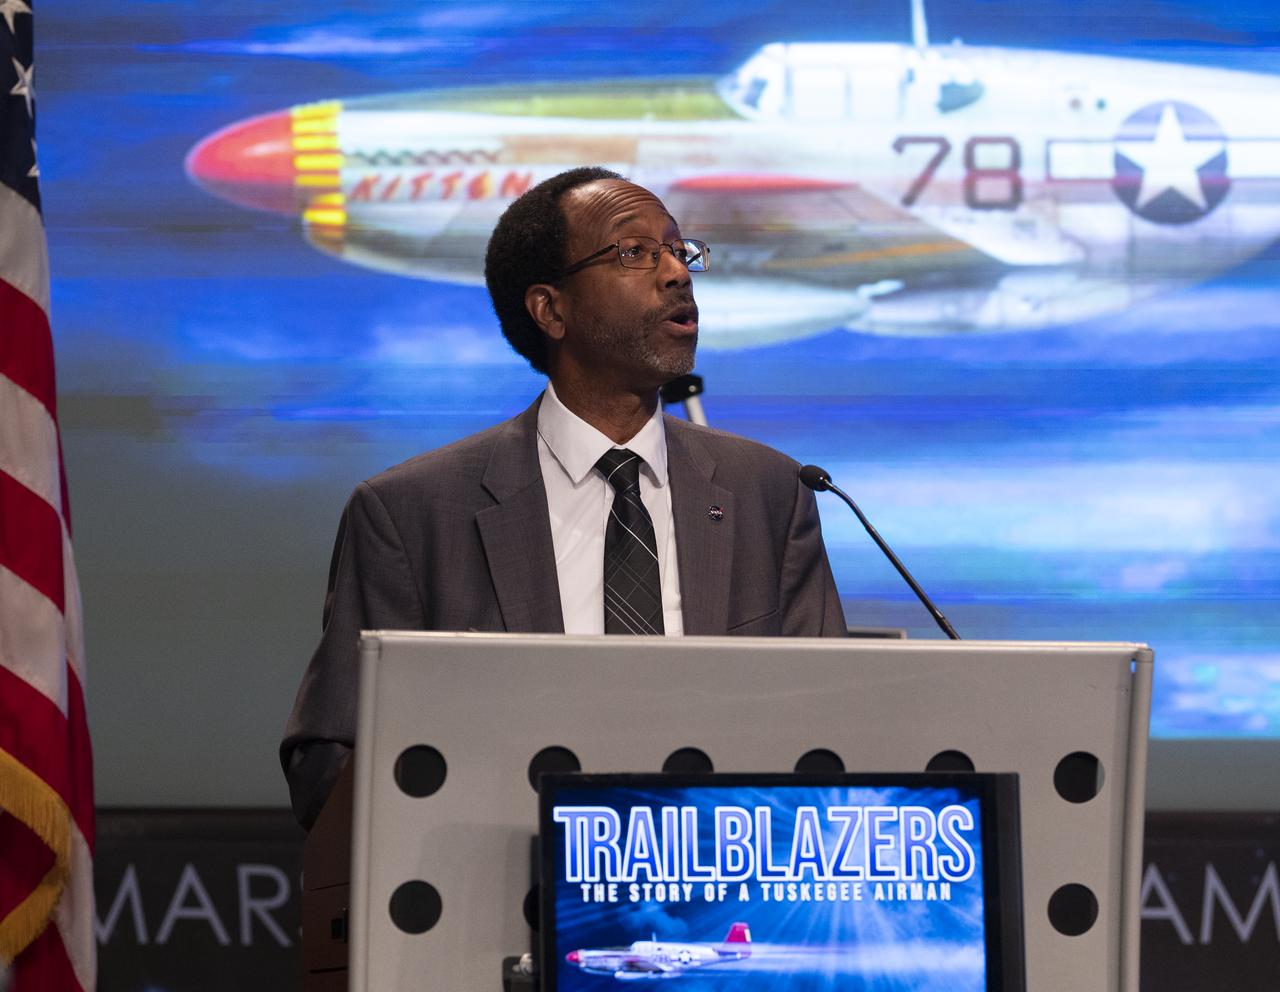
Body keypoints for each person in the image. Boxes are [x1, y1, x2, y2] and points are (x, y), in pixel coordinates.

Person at [281, 167, 846, 828]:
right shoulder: (411, 514)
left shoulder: (770, 492)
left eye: (678, 249)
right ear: (551, 309)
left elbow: (832, 732)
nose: (676, 273)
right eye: (633, 253)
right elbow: (333, 760)